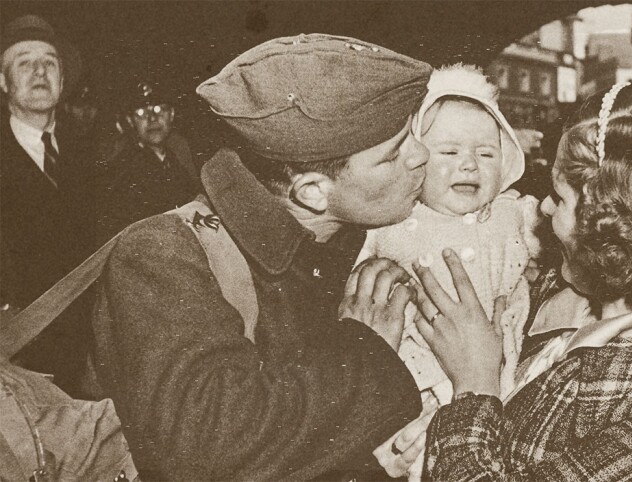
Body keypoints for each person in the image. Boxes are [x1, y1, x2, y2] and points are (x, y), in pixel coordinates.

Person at [90, 34, 432, 480]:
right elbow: (208, 451)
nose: (421, 156)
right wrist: (362, 349)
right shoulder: (164, 253)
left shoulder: (357, 238)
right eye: (394, 154)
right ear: (312, 193)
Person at [414, 78, 632, 480]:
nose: (544, 207)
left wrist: (473, 388)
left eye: (560, 198)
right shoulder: (550, 288)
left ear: (613, 225)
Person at [358, 64, 540, 479]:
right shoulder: (389, 224)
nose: (470, 165)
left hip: (496, 377)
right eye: (449, 152)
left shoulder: (515, 214)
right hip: (410, 372)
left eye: (486, 153)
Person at [0, 14, 95, 397]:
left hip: (96, 359)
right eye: (24, 62)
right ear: (3, 81)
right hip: (22, 365)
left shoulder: (95, 155)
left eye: (50, 62)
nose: (40, 71)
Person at [95, 80, 200, 243]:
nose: (152, 118)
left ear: (171, 115)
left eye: (159, 110)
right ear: (130, 121)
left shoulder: (178, 159)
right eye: (142, 113)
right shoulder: (122, 171)